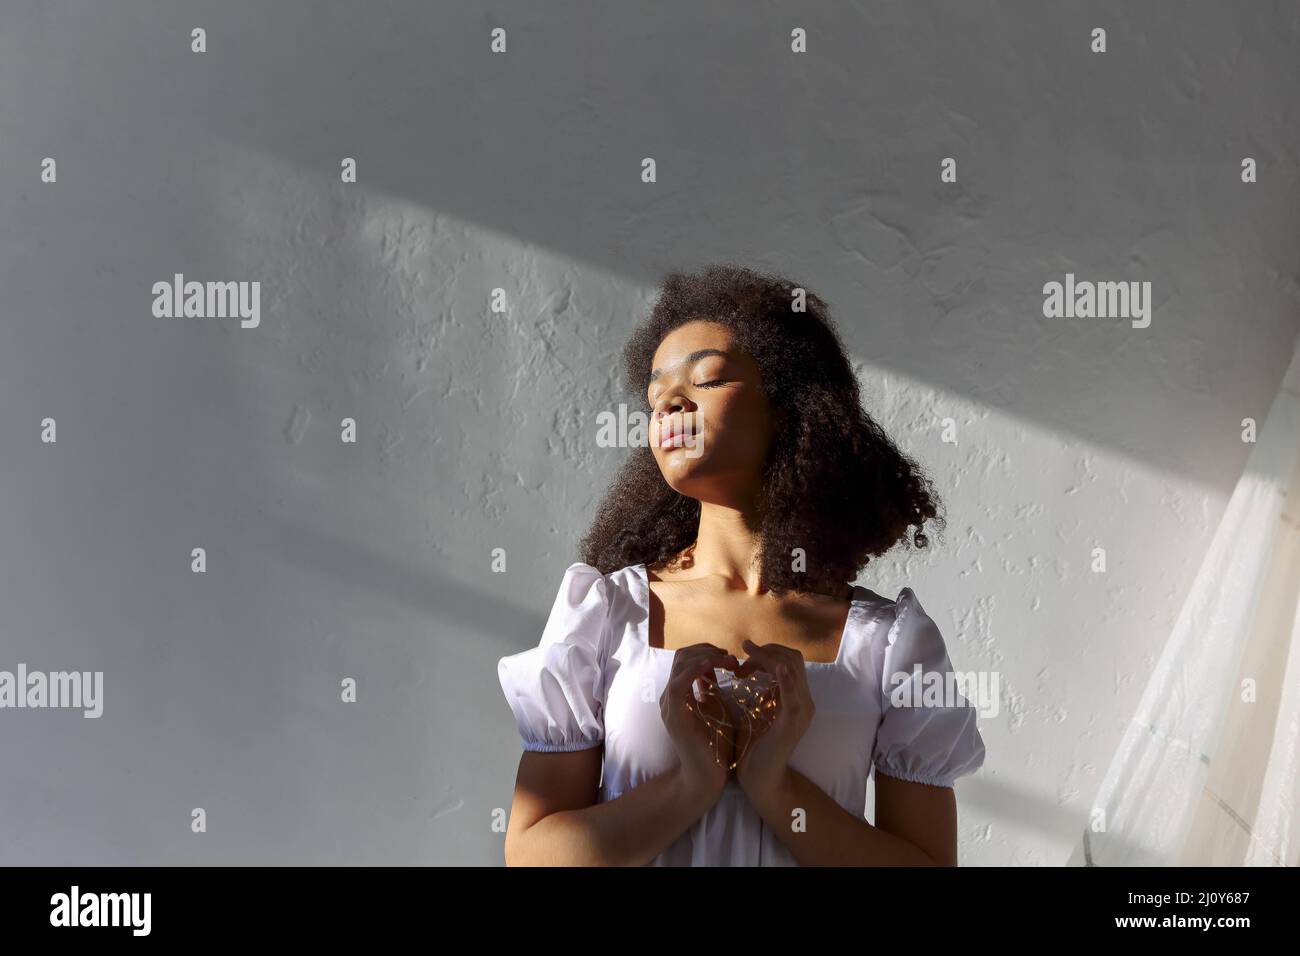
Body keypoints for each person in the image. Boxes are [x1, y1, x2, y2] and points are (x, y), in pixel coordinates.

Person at [498, 264, 986, 865]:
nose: (670, 401)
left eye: (706, 379)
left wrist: (775, 787)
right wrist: (689, 787)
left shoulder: (889, 646)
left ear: (788, 406)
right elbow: (530, 857)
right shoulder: (605, 613)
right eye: (655, 396)